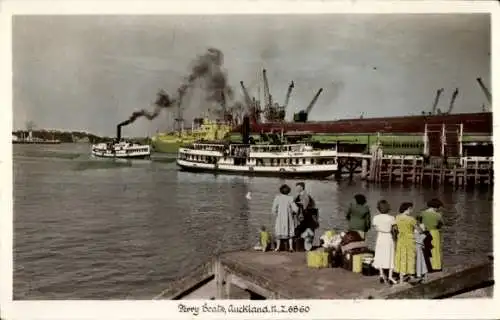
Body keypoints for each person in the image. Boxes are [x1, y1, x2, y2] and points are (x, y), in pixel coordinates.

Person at [372, 200, 397, 284]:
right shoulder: (392, 218)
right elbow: (394, 230)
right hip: (388, 237)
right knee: (390, 255)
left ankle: (381, 274)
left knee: (380, 254)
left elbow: (376, 228)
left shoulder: (376, 217)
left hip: (380, 237)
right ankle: (390, 276)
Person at [417, 198, 444, 271]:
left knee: (426, 249)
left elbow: (418, 222)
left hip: (425, 232)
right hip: (434, 233)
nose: (438, 209)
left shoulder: (422, 213)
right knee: (435, 250)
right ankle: (435, 266)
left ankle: (426, 266)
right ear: (436, 207)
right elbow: (440, 225)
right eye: (438, 207)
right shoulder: (438, 215)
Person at [394, 202, 417, 283]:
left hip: (401, 239)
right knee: (411, 257)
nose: (412, 211)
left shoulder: (397, 217)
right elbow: (418, 229)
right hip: (410, 239)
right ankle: (411, 275)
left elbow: (395, 228)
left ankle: (401, 276)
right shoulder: (411, 219)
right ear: (408, 209)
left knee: (401, 257)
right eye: (411, 209)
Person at [272, 184, 299, 252]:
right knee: (290, 232)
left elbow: (273, 209)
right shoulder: (290, 198)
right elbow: (295, 209)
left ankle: (278, 247)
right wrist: (293, 212)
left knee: (279, 231)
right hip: (288, 217)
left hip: (280, 217)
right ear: (288, 191)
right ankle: (291, 247)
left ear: (280, 191)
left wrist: (276, 213)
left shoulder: (277, 198)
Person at [294, 182, 319, 251]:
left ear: (302, 187)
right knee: (306, 231)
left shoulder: (304, 195)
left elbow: (305, 207)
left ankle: (305, 247)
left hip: (306, 217)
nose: (296, 189)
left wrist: (298, 205)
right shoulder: (302, 195)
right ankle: (305, 246)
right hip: (307, 217)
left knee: (305, 231)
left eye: (297, 187)